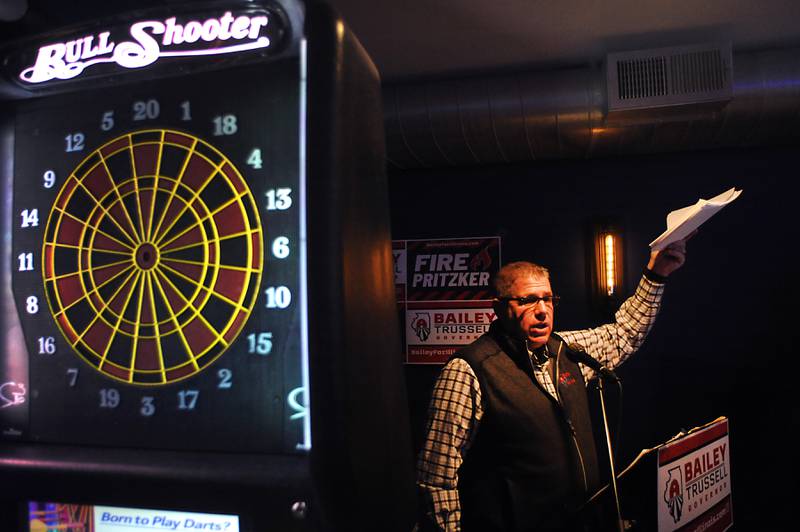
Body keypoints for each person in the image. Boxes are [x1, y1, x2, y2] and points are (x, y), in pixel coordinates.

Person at [416, 237, 691, 532]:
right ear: (498, 308)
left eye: (547, 299)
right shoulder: (469, 370)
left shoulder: (567, 351)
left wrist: (655, 273)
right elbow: (436, 478)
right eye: (527, 301)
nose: (542, 310)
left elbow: (624, 334)